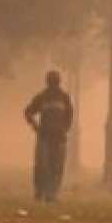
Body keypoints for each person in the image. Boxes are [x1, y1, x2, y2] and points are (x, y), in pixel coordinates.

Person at [24, 70, 74, 202]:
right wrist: (35, 125)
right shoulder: (56, 97)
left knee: (50, 166)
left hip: (50, 137)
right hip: (48, 137)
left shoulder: (57, 97)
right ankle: (45, 193)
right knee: (48, 166)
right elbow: (28, 112)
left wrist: (35, 126)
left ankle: (49, 194)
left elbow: (69, 117)